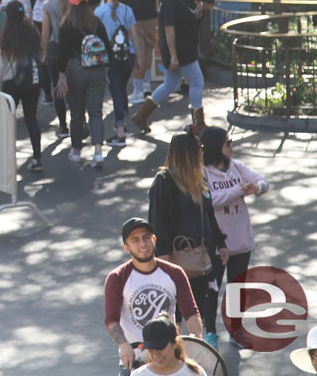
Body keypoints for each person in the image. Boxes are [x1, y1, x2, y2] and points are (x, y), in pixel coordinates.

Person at [148, 131, 229, 348]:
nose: (202, 154)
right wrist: (164, 262)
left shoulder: (198, 178)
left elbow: (209, 214)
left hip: (198, 258)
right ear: (187, 154)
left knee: (196, 310)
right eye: (198, 151)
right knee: (171, 315)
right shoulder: (163, 182)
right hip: (173, 260)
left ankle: (195, 356)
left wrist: (221, 243)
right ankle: (170, 356)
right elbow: (158, 223)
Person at [105, 217, 202, 374]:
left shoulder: (175, 273)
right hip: (135, 359)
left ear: (154, 239)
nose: (143, 244)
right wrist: (123, 345)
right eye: (135, 240)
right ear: (126, 248)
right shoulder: (117, 277)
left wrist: (197, 343)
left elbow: (190, 311)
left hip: (169, 358)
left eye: (146, 237)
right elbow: (111, 319)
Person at [200, 126, 268, 348]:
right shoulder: (202, 173)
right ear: (216, 147)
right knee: (212, 289)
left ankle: (236, 330)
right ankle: (210, 331)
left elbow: (262, 181)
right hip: (218, 245)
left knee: (237, 289)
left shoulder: (236, 167)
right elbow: (210, 200)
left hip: (241, 241)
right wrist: (238, 191)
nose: (232, 146)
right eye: (228, 142)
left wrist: (256, 187)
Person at [131, 0, 206, 134]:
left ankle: (141, 115)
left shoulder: (171, 0)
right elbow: (169, 28)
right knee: (197, 81)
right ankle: (198, 123)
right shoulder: (171, 1)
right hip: (182, 51)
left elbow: (176, 24)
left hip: (178, 50)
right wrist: (174, 56)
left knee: (170, 84)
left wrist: (195, 16)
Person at [55, 0, 109, 167]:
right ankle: (99, 152)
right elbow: (107, 47)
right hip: (97, 69)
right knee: (96, 112)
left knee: (77, 112)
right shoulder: (96, 22)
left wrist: (61, 76)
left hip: (76, 68)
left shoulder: (67, 25)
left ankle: (76, 150)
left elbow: (61, 54)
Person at [0, 1, 45, 172]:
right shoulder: (32, 32)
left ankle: (7, 159)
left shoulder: (6, 35)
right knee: (31, 120)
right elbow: (40, 53)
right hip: (31, 80)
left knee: (8, 123)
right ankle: (37, 158)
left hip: (11, 82)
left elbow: (1, 65)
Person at [96, 0, 137, 148]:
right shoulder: (128, 10)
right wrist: (139, 57)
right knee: (122, 88)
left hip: (110, 57)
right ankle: (123, 121)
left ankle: (120, 130)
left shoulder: (99, 12)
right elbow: (134, 34)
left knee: (116, 91)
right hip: (129, 55)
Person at [41, 0, 76, 137]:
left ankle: (63, 126)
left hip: (55, 47)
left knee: (58, 87)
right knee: (76, 86)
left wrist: (43, 52)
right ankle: (79, 121)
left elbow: (45, 32)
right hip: (75, 47)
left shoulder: (47, 4)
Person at [132, 314, 205, 375]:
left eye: (160, 348)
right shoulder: (138, 374)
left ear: (175, 343)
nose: (155, 355)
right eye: (151, 350)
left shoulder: (194, 373)